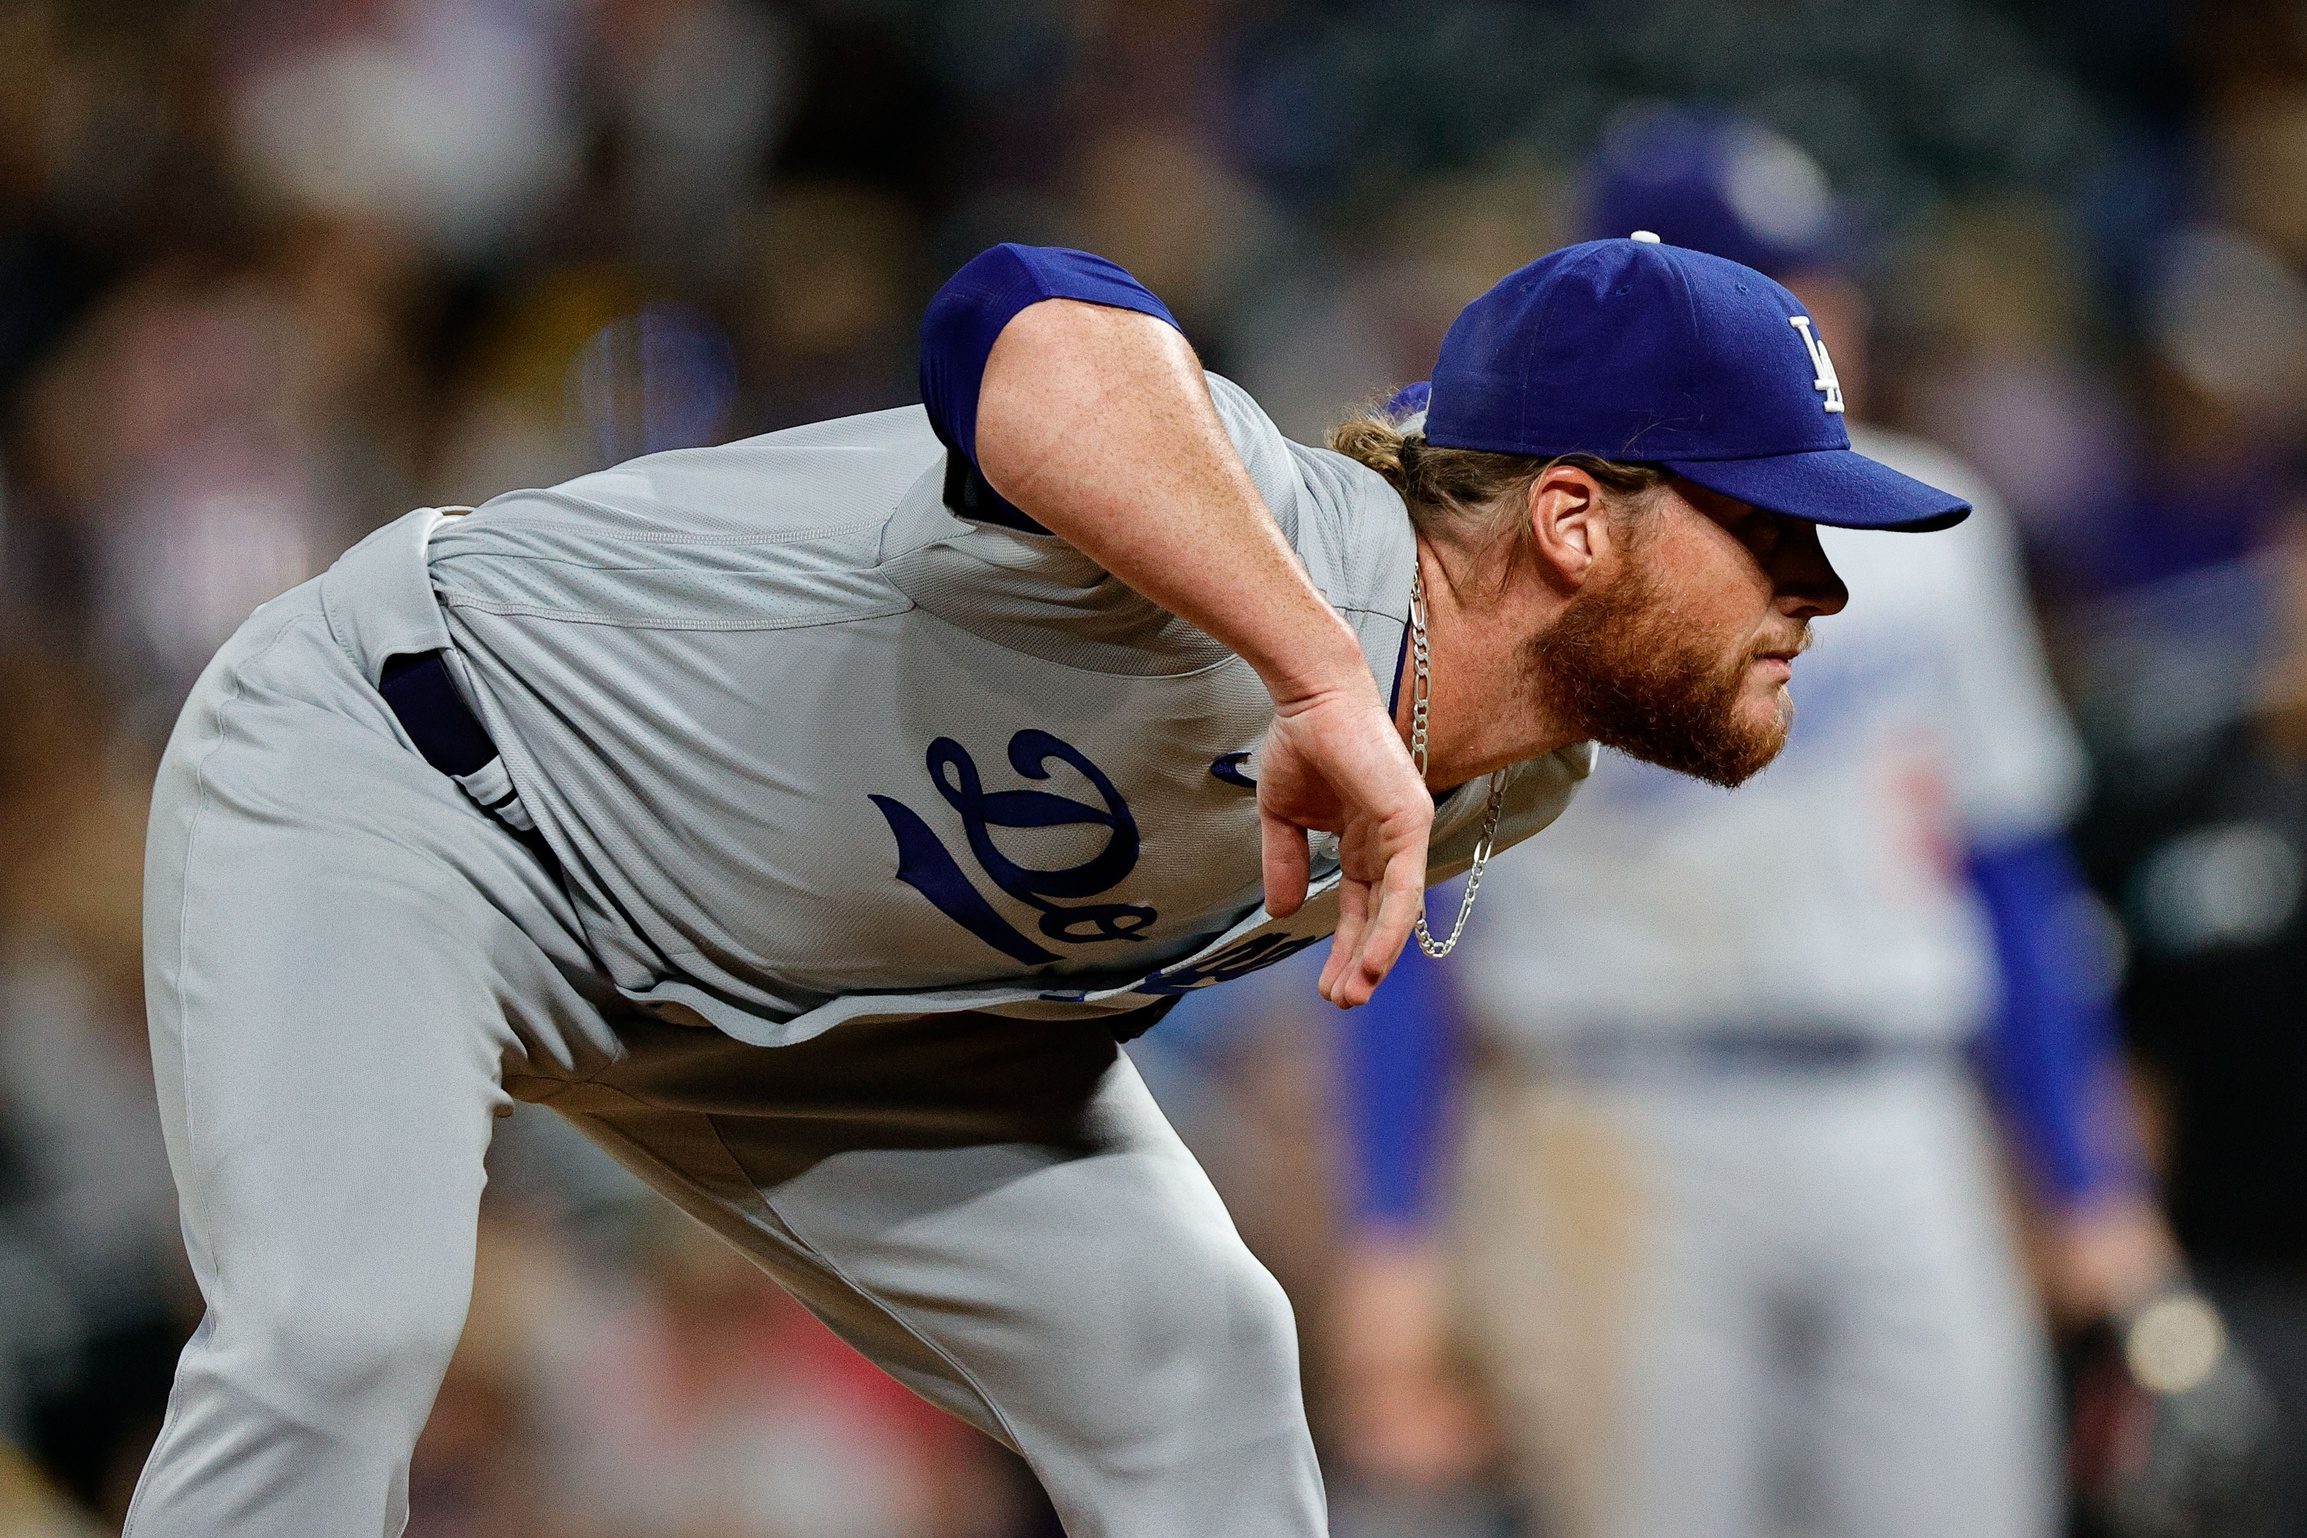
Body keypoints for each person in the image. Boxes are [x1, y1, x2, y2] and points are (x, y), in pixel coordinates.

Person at [125, 233, 1964, 1538]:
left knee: (1202, 1353)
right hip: (431, 785)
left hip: (803, 1011)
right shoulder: (1273, 527)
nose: (1820, 585)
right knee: (335, 1334)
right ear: (1572, 520)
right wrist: (1320, 672)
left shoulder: (1518, 777)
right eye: (1771, 524)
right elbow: (1027, 316)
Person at [1324, 110, 2181, 1538]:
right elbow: (1403, 915)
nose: (1818, 312)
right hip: (1607, 1108)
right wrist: (1390, 1228)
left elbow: (2011, 876)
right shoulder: (1508, 548)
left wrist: (2090, 1188)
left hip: (1897, 1107)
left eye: (1817, 274)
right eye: (1767, 277)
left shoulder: (1925, 544)